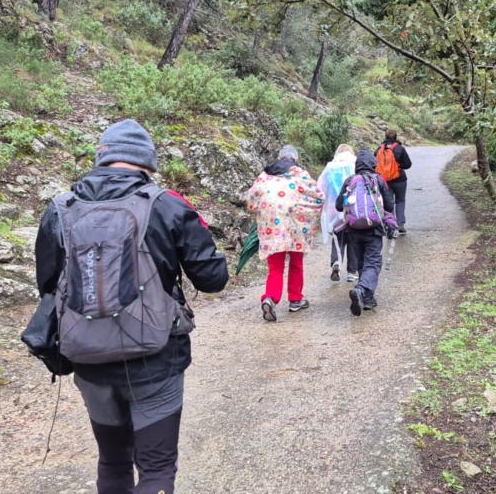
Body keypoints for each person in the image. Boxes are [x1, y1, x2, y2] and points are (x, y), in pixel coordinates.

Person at [34, 119, 229, 494]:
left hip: (87, 358)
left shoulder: (60, 208)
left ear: (101, 159)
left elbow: (47, 285)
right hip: (155, 358)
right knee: (155, 469)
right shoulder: (167, 205)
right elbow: (212, 280)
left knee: (112, 462)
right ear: (147, 163)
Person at [245, 145, 325, 320]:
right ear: (295, 159)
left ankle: (270, 298)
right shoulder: (300, 174)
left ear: (279, 158)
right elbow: (319, 196)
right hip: (296, 227)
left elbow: (250, 200)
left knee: (275, 267)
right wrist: (305, 212)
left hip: (271, 226)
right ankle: (295, 299)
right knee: (296, 264)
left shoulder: (265, 175)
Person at [337, 148, 398, 316]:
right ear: (373, 164)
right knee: (373, 263)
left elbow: (338, 205)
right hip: (374, 230)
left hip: (353, 230)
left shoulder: (350, 181)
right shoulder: (379, 180)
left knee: (362, 263)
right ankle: (361, 289)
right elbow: (389, 206)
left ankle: (368, 299)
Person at [316, 144, 358, 282]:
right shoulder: (355, 164)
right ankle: (352, 271)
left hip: (334, 207)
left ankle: (336, 262)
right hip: (351, 207)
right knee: (352, 238)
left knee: (337, 235)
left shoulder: (330, 167)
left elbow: (320, 189)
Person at [376, 129, 412, 234]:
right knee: (400, 200)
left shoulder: (379, 149)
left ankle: (390, 224)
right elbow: (408, 164)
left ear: (385, 136)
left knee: (388, 201)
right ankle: (400, 223)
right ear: (396, 137)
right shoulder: (399, 148)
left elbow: (374, 163)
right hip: (400, 179)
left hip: (385, 180)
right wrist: (398, 166)